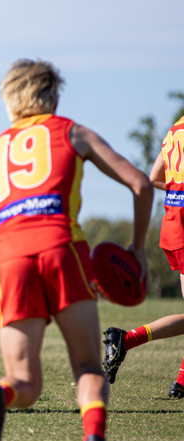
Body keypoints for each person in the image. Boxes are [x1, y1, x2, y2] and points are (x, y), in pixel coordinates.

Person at [0, 59, 153, 441]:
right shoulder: (71, 130)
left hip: (8, 255)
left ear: (11, 98)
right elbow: (141, 184)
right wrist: (138, 249)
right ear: (52, 95)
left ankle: (0, 393)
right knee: (88, 366)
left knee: (25, 383)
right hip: (60, 247)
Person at [104, 115, 184, 399]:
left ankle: (181, 383)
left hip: (174, 225)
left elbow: (155, 178)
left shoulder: (176, 128)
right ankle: (126, 340)